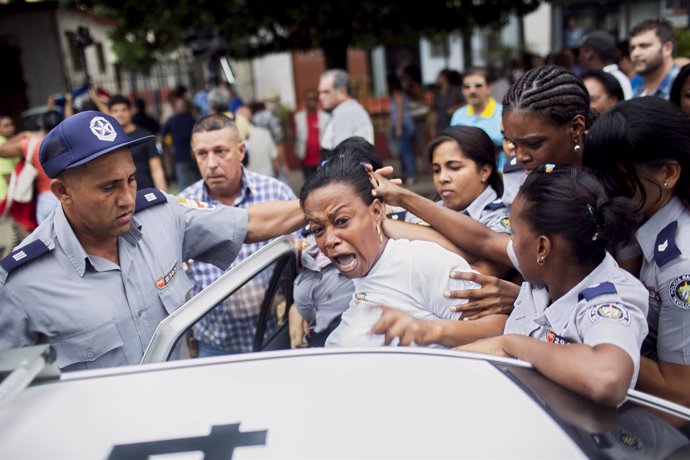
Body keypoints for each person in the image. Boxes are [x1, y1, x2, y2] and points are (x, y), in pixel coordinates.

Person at [0, 110, 305, 371]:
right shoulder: (21, 284)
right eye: (108, 187)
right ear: (63, 192)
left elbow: (248, 222)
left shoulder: (161, 216)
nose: (126, 199)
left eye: (131, 180)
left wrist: (323, 203)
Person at [374, 167, 649, 407]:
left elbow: (607, 379)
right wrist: (401, 199)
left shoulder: (608, 302)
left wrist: (512, 344)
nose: (509, 242)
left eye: (515, 233)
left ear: (543, 246)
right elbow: (481, 239)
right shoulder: (553, 265)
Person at [369, 65, 595, 318]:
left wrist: (524, 299)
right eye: (510, 142)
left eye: (533, 143)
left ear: (576, 128)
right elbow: (491, 243)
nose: (519, 156)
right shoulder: (524, 173)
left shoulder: (609, 180)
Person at [300, 155, 478, 347]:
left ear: (376, 212)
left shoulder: (421, 261)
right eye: (318, 229)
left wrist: (430, 330)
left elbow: (500, 327)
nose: (329, 240)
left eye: (342, 221)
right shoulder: (360, 276)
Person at [584, 96, 690, 406]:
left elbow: (680, 392)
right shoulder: (643, 217)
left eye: (617, 179)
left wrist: (589, 335)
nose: (603, 190)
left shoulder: (680, 265)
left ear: (668, 173)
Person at [179, 113, 298, 357]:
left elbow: (309, 254)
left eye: (220, 151)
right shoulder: (183, 209)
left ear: (241, 151)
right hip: (214, 347)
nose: (211, 163)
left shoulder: (276, 194)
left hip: (276, 337)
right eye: (202, 154)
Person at [104, 95, 168, 192]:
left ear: (131, 111)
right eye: (115, 111)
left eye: (123, 110)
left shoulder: (145, 136)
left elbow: (157, 169)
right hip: (119, 197)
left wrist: (164, 195)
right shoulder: (107, 140)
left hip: (146, 193)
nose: (120, 114)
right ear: (109, 114)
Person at [450, 68, 505, 170]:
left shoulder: (503, 113)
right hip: (468, 176)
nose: (472, 90)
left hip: (500, 174)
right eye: (467, 87)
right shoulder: (458, 116)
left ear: (489, 88)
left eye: (478, 86)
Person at [318, 69, 374, 157]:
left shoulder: (347, 113)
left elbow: (342, 158)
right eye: (320, 92)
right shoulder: (348, 110)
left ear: (342, 92)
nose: (321, 97)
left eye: (326, 92)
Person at [629, 18, 679, 100]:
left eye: (644, 46)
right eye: (632, 48)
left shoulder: (683, 89)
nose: (635, 53)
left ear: (667, 48)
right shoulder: (635, 90)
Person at [578, 30, 633, 100]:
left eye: (580, 52)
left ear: (589, 53)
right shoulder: (618, 76)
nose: (579, 57)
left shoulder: (614, 79)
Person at [160, 96, 199, 190]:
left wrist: (168, 151)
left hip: (180, 158)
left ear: (175, 108)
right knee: (198, 187)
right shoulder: (193, 120)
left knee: (185, 190)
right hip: (196, 157)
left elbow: (160, 137)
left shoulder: (172, 120)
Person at [387, 73, 416, 185]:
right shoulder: (395, 95)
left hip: (403, 126)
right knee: (402, 153)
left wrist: (398, 128)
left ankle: (411, 175)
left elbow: (400, 112)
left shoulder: (398, 94)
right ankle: (406, 174)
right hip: (400, 126)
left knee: (406, 152)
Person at [294, 90, 330, 181]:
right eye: (309, 99)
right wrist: (298, 153)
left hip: (321, 158)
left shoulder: (325, 117)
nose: (312, 102)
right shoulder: (298, 117)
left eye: (314, 99)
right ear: (305, 101)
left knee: (322, 183)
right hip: (306, 159)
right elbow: (296, 137)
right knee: (309, 184)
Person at [236, 105, 279, 178]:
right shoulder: (265, 133)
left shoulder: (237, 138)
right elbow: (274, 157)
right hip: (267, 177)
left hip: (249, 179)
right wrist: (277, 175)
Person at [429, 68, 464, 138]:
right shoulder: (437, 93)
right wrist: (432, 127)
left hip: (454, 124)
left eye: (439, 76)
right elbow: (434, 111)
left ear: (445, 78)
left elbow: (466, 103)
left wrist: (454, 108)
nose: (437, 78)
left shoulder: (455, 90)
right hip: (440, 125)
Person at [0, 115, 18, 201]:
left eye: (11, 125)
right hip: (4, 196)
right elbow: (7, 175)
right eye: (6, 126)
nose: (11, 128)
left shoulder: (7, 143)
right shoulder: (3, 146)